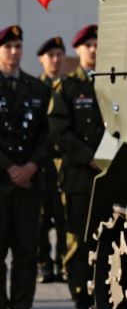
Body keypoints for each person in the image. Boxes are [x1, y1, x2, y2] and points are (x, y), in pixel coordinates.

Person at [49, 24, 103, 309]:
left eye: (97, 44)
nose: (94, 49)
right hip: (80, 179)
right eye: (88, 45)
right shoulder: (68, 87)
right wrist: (89, 158)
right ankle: (81, 300)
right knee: (79, 242)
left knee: (106, 241)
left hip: (110, 177)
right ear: (79, 50)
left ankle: (104, 299)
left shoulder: (116, 84)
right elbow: (59, 131)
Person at [0, 24, 50, 309]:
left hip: (30, 183)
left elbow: (46, 135)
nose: (14, 52)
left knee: (26, 250)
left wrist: (30, 166)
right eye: (8, 47)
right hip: (2, 181)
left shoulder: (38, 88)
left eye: (18, 46)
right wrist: (10, 168)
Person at [34, 36, 67, 284]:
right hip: (42, 164)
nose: (55, 60)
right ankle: (44, 264)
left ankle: (64, 263)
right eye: (50, 56)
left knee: (65, 216)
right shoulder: (35, 88)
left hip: (66, 164)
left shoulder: (71, 87)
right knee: (42, 219)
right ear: (42, 60)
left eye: (59, 55)